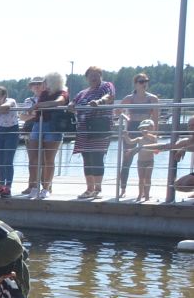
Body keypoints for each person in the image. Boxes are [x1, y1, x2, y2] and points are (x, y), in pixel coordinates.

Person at [71, 65, 117, 200]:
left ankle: (97, 188)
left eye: (96, 75)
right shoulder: (83, 92)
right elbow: (74, 101)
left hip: (99, 128)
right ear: (87, 78)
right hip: (84, 130)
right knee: (87, 159)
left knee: (97, 157)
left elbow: (110, 96)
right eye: (91, 76)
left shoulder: (106, 86)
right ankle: (89, 188)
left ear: (101, 76)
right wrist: (71, 105)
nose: (94, 78)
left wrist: (99, 101)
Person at [115, 74, 160, 199]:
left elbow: (156, 119)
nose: (144, 83)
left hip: (146, 130)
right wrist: (126, 117)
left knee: (147, 159)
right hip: (132, 128)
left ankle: (145, 193)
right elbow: (117, 111)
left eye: (146, 81)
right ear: (135, 83)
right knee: (127, 159)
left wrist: (155, 135)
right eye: (141, 81)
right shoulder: (129, 98)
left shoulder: (152, 98)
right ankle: (123, 189)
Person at [26, 72, 70, 199]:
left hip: (53, 126)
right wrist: (39, 105)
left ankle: (46, 188)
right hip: (38, 124)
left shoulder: (63, 93)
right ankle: (34, 186)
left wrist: (39, 105)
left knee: (48, 159)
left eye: (46, 81)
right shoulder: (44, 94)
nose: (43, 84)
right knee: (33, 158)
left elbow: (59, 102)